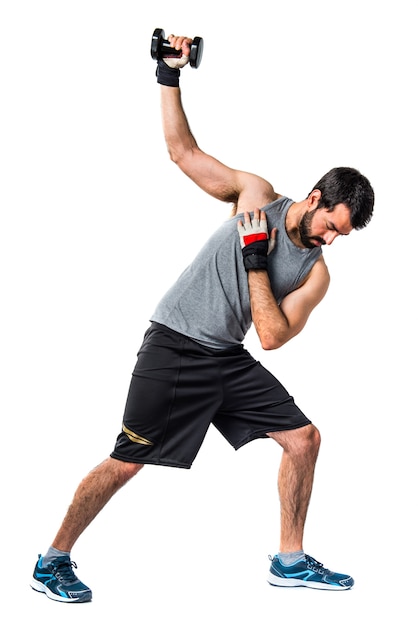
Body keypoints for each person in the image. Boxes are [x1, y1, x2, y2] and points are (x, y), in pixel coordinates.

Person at [30, 34, 374, 603]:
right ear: (314, 198)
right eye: (332, 225)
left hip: (226, 356)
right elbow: (183, 153)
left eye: (343, 235)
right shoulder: (255, 194)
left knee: (305, 439)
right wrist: (170, 74)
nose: (332, 241)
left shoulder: (316, 276)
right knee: (127, 461)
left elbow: (269, 336)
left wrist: (256, 259)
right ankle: (52, 559)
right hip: (173, 345)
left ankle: (289, 560)